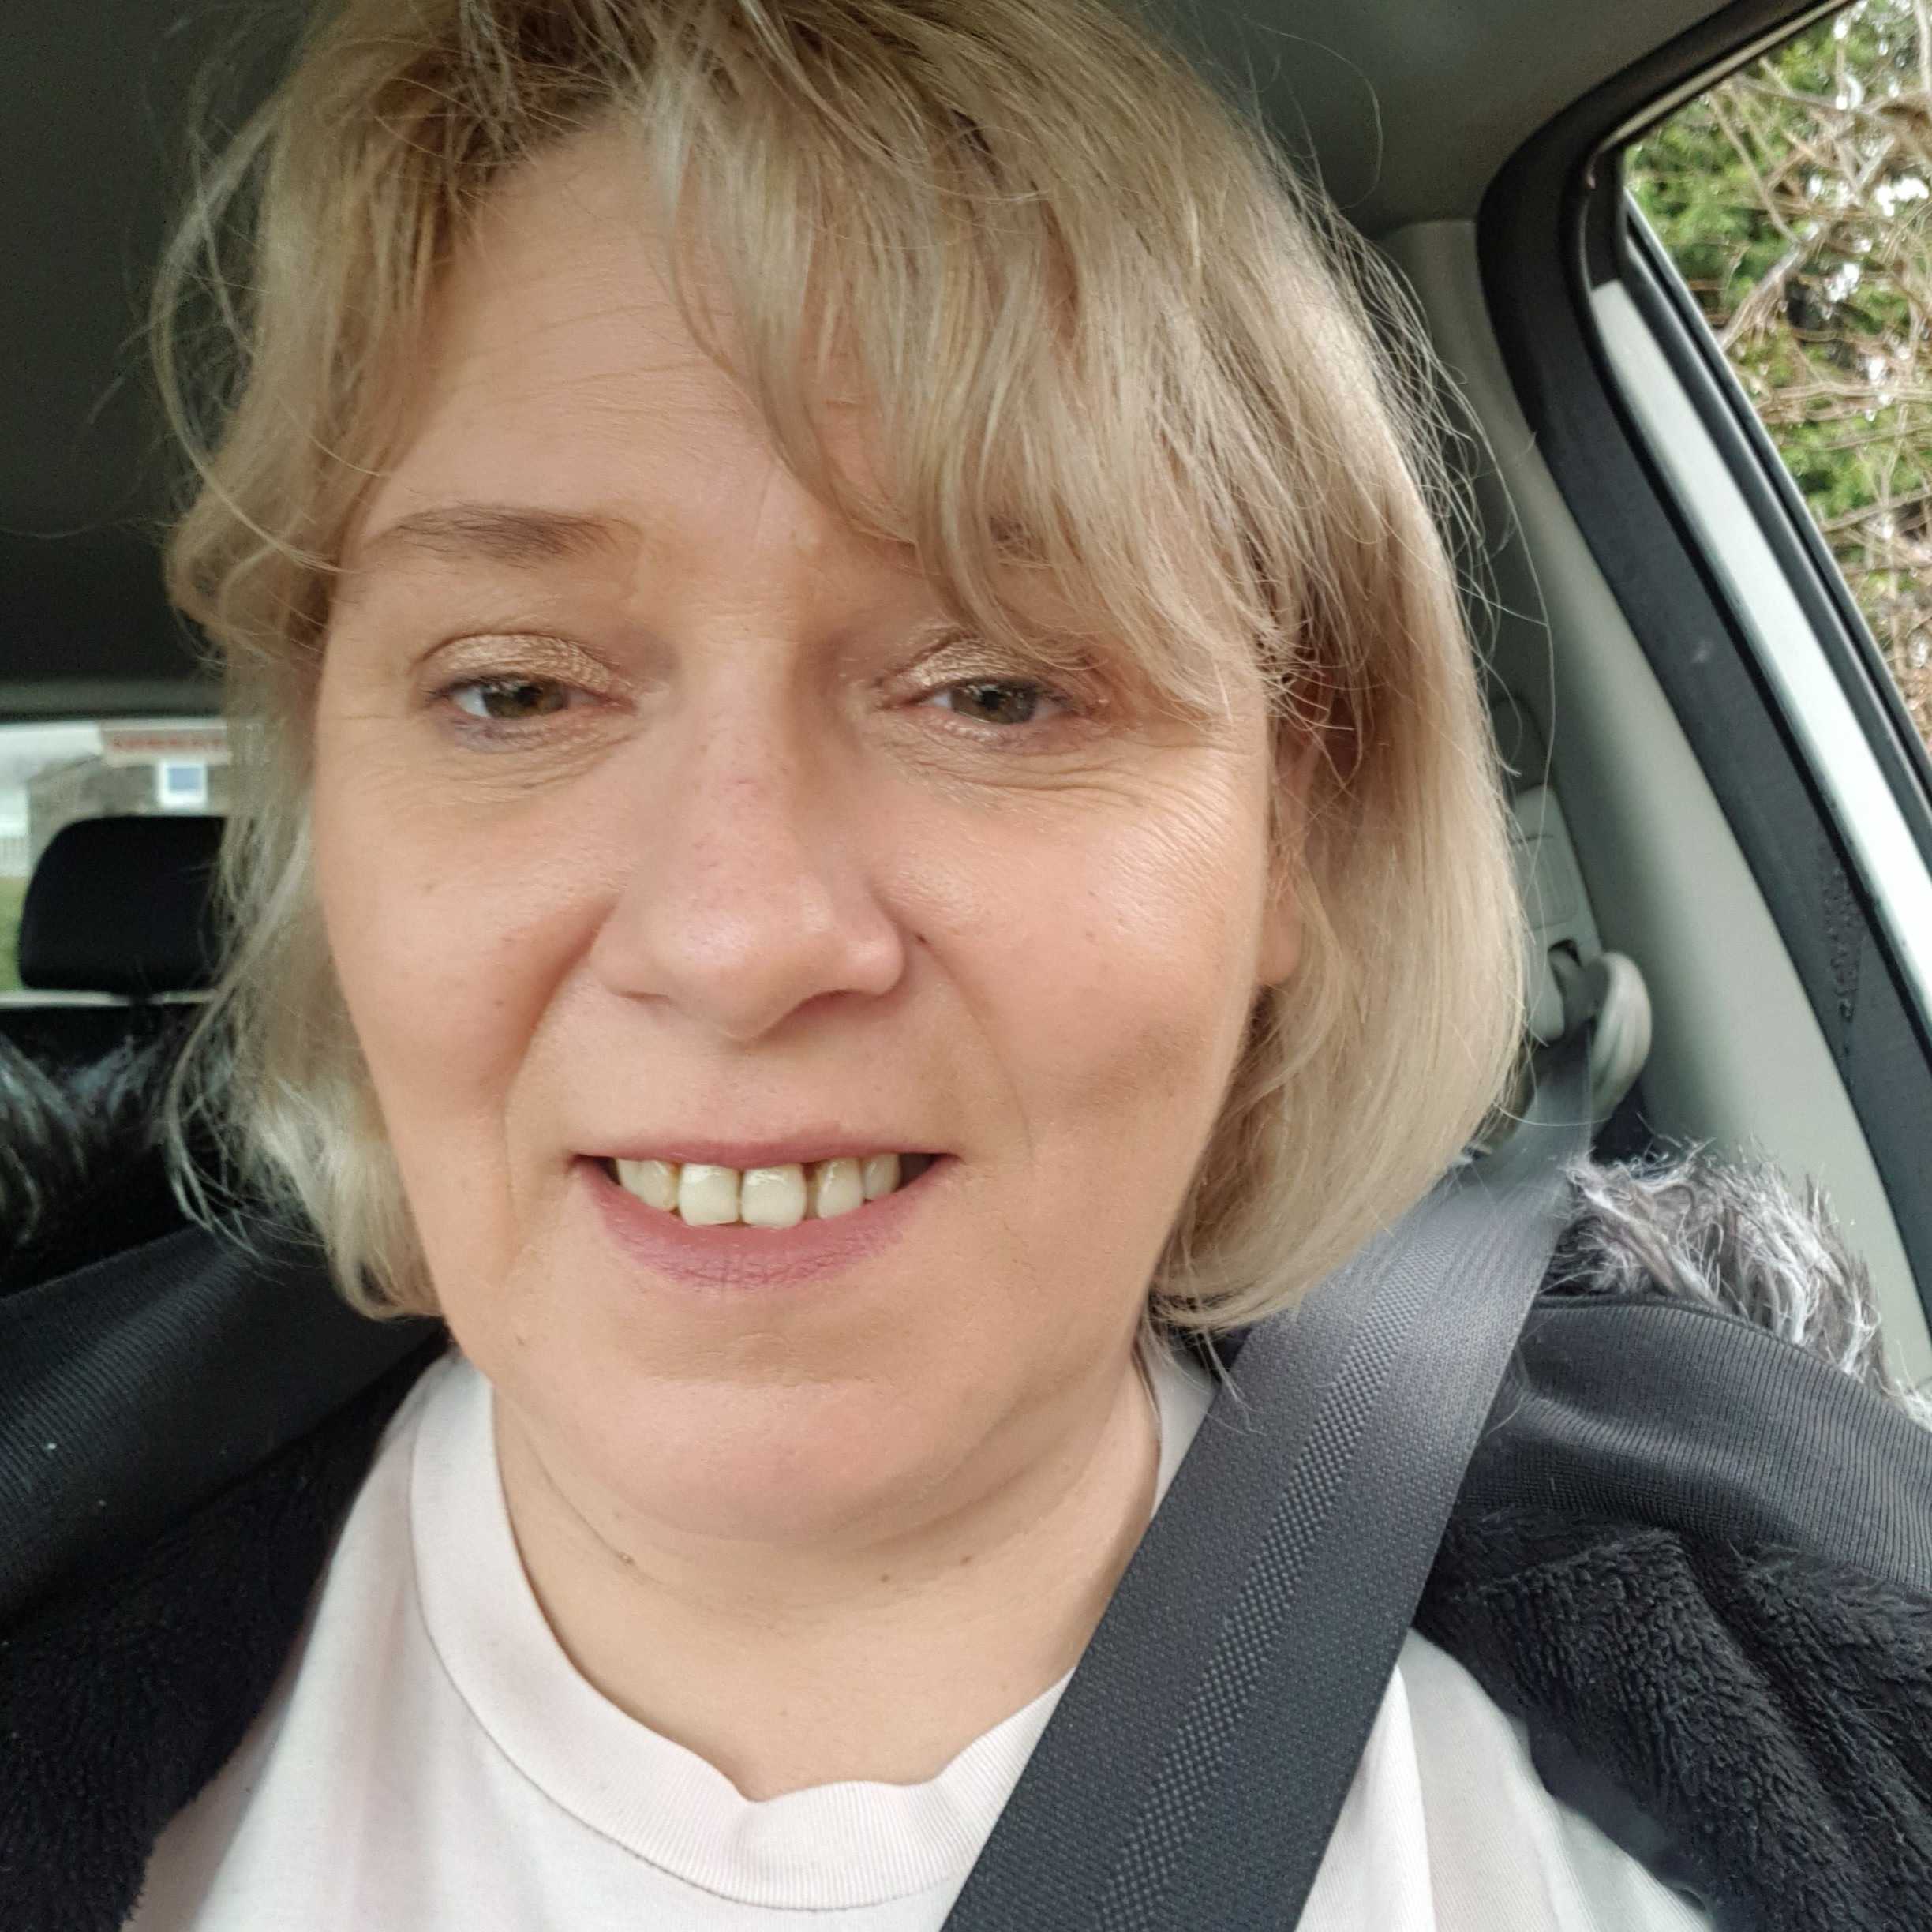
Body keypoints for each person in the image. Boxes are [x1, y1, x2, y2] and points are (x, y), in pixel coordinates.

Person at [2, 2, 1928, 1928]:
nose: (738, 938)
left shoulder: (1818, 1738)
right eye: (514, 689)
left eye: (997, 690)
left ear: (1300, 827)